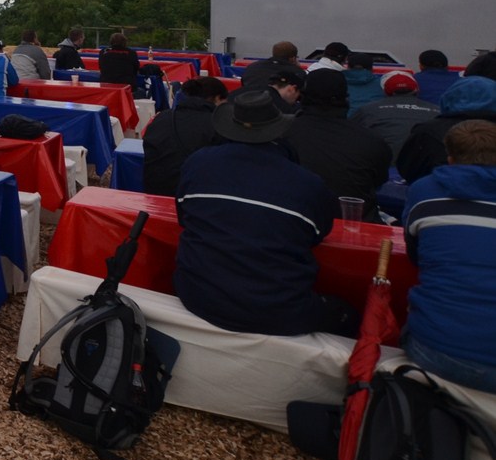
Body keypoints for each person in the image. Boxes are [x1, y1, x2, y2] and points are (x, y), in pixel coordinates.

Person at [173, 90, 355, 337]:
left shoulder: (197, 163)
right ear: (279, 130)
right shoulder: (308, 185)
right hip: (277, 310)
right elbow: (316, 235)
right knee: (349, 315)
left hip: (197, 295)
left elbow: (184, 217)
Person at [401, 120, 496, 392]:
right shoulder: (425, 190)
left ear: (450, 157)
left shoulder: (424, 190)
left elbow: (415, 255)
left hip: (436, 351)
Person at [283, 68, 392, 202]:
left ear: (302, 97)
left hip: (293, 208)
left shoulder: (281, 133)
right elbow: (378, 181)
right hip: (351, 212)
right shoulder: (371, 140)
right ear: (346, 98)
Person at [397, 74, 496, 182]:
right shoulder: (427, 131)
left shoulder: (426, 132)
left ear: (448, 98)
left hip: (437, 190)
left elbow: (408, 169)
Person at [140, 78, 228, 196]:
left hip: (155, 190)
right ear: (217, 98)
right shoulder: (219, 126)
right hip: (195, 193)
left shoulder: (161, 118)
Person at [352, 70, 439, 154]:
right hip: (424, 161)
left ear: (385, 91)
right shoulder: (437, 111)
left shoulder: (367, 110)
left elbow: (351, 133)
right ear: (416, 90)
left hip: (382, 160)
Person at [239, 41, 304, 94]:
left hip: (249, 102)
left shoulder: (252, 67)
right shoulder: (297, 73)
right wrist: (298, 69)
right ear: (293, 58)